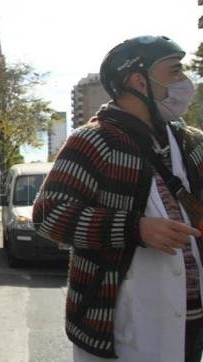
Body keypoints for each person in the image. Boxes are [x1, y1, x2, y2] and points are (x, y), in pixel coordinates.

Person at [33, 35, 203, 362]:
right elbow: (48, 216)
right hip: (120, 326)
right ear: (139, 80)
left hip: (192, 325)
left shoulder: (190, 142)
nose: (185, 82)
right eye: (175, 71)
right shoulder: (93, 142)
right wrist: (135, 229)